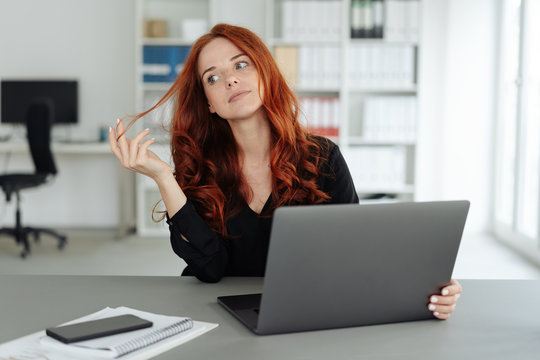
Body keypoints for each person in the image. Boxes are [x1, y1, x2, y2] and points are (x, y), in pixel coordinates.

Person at [109, 23, 462, 319]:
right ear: (209, 104)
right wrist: (164, 178)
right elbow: (210, 268)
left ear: (265, 72)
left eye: (241, 65)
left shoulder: (322, 157)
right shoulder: (202, 169)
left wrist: (427, 289)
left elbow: (352, 255)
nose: (230, 80)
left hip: (306, 314)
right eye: (213, 78)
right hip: (218, 318)